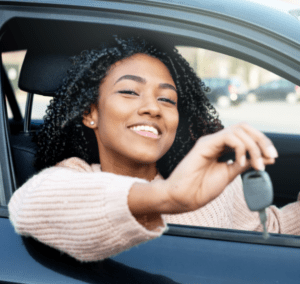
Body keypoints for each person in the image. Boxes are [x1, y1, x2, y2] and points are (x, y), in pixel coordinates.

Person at [8, 36, 300, 263]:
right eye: (129, 92)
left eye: (167, 100)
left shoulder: (212, 182)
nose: (152, 108)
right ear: (90, 113)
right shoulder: (77, 177)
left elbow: (272, 231)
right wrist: (168, 196)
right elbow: (32, 206)